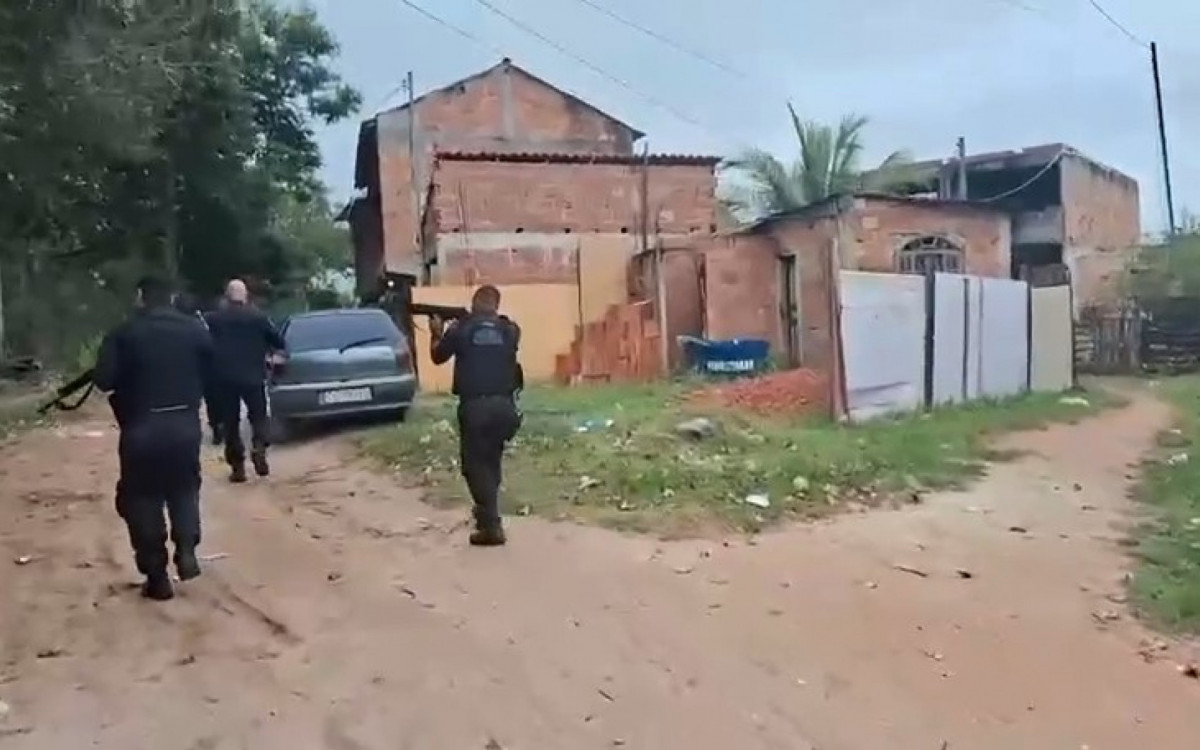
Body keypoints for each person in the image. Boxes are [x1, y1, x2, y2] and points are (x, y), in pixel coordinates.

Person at [93, 275, 213, 601]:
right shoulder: (194, 330)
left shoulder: (123, 333)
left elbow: (103, 380)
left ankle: (157, 576)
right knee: (184, 488)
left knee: (140, 498)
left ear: (140, 297)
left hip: (141, 428)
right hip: (185, 425)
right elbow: (212, 369)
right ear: (171, 297)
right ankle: (186, 547)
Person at [430, 285, 523, 546]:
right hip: (505, 408)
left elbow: (438, 356)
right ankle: (486, 517)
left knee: (473, 467)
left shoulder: (460, 329)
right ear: (496, 305)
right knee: (491, 463)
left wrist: (436, 333)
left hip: (475, 408)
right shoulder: (510, 330)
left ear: (473, 303)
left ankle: (491, 526)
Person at [204, 279, 284, 482]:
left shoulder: (213, 319)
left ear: (226, 297)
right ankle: (259, 446)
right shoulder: (258, 317)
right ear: (246, 295)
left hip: (224, 378)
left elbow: (204, 345)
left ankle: (237, 467)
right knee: (258, 417)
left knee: (230, 423)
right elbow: (278, 341)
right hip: (253, 376)